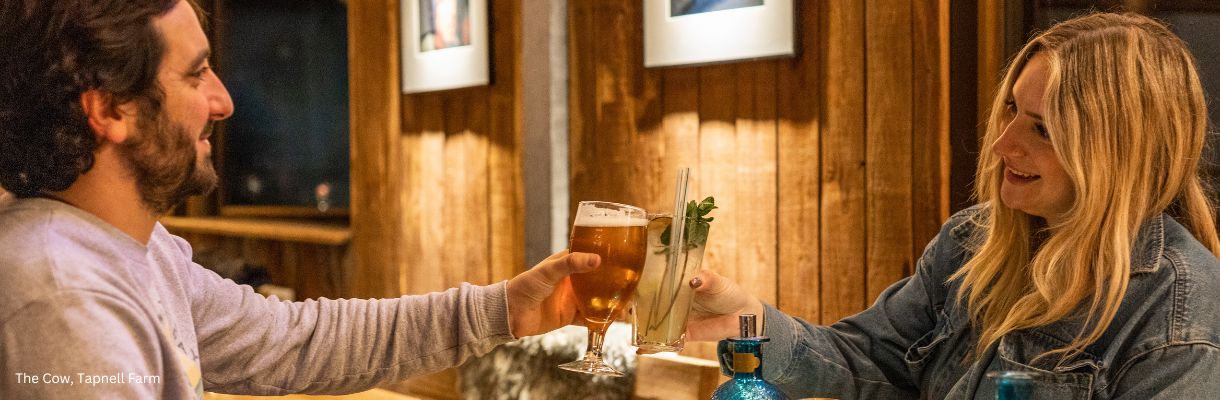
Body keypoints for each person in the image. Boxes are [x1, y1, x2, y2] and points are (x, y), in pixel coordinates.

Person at [0, 0, 600, 398]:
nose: (224, 100)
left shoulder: (136, 249)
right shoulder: (63, 296)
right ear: (110, 109)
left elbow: (294, 342)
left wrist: (501, 312)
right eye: (195, 73)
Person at [686, 12, 1220, 399]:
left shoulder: (1179, 313)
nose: (1002, 145)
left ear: (1121, 150)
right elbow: (866, 361)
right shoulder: (972, 241)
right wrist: (748, 320)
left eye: (1044, 130)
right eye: (1011, 110)